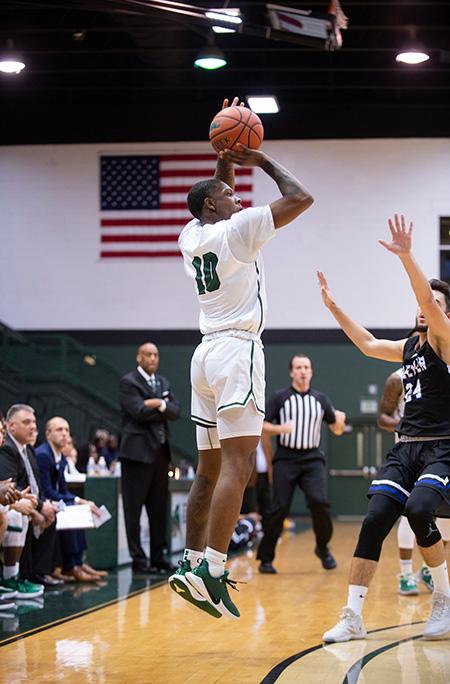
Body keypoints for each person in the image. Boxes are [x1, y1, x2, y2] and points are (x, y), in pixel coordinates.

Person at [169, 96, 314, 620]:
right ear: (215, 207)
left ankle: (188, 562)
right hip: (237, 351)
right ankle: (212, 566)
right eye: (231, 195)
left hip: (203, 355)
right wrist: (262, 160)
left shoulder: (192, 235)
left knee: (207, 469)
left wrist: (226, 155)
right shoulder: (238, 228)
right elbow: (302, 197)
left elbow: (212, 192)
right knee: (239, 467)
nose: (237, 197)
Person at [319, 214, 450, 642]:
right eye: (421, 300)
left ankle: (443, 600)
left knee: (418, 510)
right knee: (375, 518)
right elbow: (368, 344)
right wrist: (335, 307)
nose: (422, 304)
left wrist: (407, 257)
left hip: (442, 447)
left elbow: (429, 303)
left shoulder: (443, 340)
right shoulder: (409, 346)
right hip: (405, 448)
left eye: (432, 302)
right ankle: (353, 616)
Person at [257, 354, 346, 574]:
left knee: (319, 502)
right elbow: (261, 426)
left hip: (312, 459)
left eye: (306, 367)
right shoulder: (280, 398)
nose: (303, 371)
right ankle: (266, 559)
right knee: (279, 508)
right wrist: (280, 430)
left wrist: (340, 421)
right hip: (286, 458)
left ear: (311, 372)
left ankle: (323, 548)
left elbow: (337, 429)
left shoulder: (321, 399)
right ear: (291, 372)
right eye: (298, 367)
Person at [378, 368, 450, 595]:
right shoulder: (398, 378)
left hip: (440, 453)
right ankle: (406, 574)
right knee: (411, 513)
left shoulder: (443, 374)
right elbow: (382, 416)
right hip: (408, 453)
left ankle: (431, 569)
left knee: (445, 519)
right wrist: (406, 425)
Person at [119, 342, 181, 573]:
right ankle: (138, 559)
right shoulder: (129, 382)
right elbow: (139, 412)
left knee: (158, 508)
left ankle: (159, 557)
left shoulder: (163, 382)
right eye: (148, 354)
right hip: (136, 455)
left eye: (156, 354)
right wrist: (162, 407)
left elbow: (176, 411)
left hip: (160, 454)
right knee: (133, 510)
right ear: (139, 357)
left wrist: (158, 403)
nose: (153, 358)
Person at [35, 416, 106, 581]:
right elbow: (47, 491)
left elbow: (63, 490)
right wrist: (75, 501)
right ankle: (70, 565)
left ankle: (78, 562)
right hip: (44, 500)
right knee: (72, 511)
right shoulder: (44, 455)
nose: (65, 434)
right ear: (48, 434)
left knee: (81, 508)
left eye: (66, 430)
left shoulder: (61, 457)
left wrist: (81, 501)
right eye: (59, 430)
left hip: (54, 500)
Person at [1, 404, 58, 596]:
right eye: (26, 422)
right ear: (11, 427)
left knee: (43, 513)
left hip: (17, 502)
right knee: (17, 515)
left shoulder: (28, 449)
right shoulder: (8, 449)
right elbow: (8, 487)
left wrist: (38, 506)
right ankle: (13, 575)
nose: (33, 426)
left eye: (34, 422)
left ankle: (22, 575)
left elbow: (30, 486)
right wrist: (32, 508)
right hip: (10, 506)